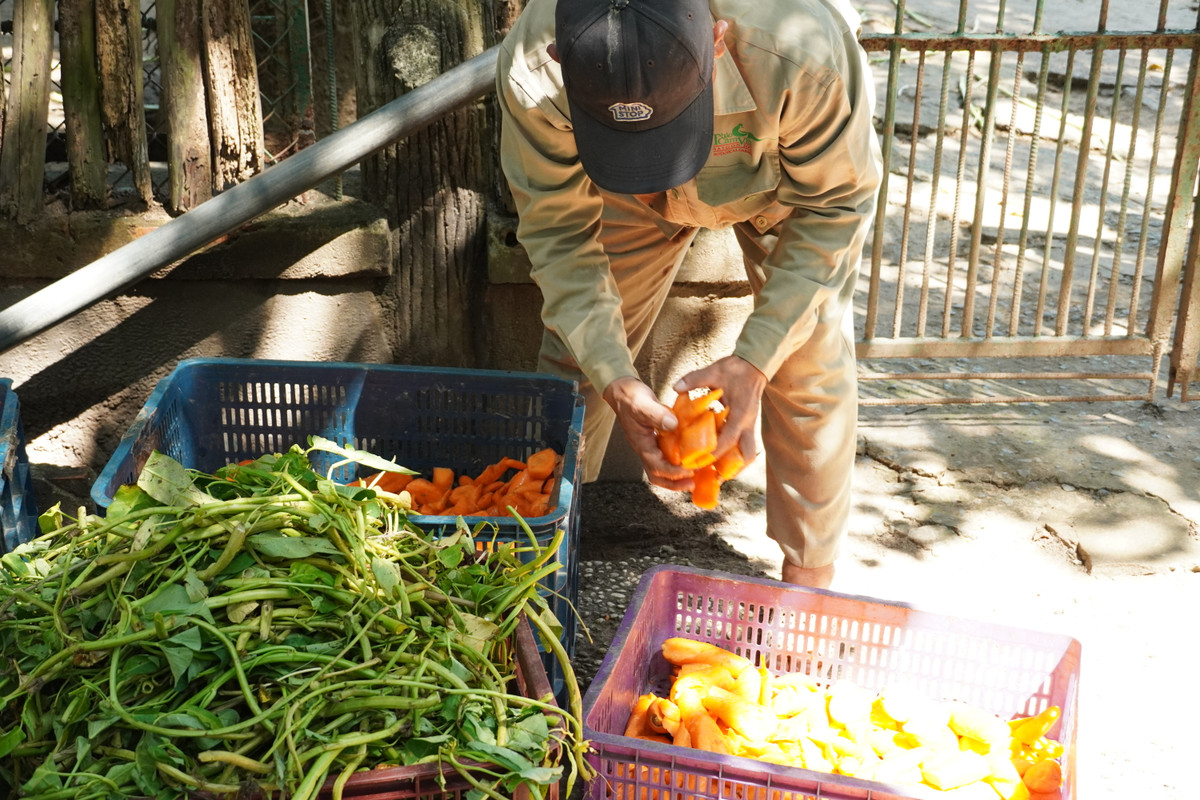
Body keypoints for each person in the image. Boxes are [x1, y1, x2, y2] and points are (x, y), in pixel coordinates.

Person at [496, 0, 882, 589]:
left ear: (718, 40)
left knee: (810, 358)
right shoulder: (535, 69)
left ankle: (809, 589)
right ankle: (534, 571)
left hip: (778, 174)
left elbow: (836, 206)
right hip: (624, 198)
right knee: (579, 358)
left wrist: (756, 360)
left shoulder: (801, 48)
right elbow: (559, 236)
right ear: (560, 60)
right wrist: (615, 377)